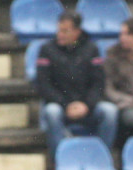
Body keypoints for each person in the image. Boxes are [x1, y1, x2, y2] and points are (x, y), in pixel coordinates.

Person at [36, 11, 118, 157]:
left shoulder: (91, 49)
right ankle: (60, 158)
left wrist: (86, 105)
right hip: (60, 106)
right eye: (59, 30)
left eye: (65, 31)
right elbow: (43, 84)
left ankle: (101, 157)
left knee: (109, 111)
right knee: (52, 112)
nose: (60, 34)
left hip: (87, 107)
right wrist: (65, 104)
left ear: (77, 32)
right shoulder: (46, 50)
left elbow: (98, 83)